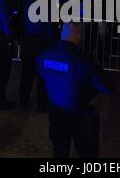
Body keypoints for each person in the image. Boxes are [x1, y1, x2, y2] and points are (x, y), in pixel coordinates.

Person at [37, 23, 113, 158]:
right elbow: (107, 87)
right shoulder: (82, 61)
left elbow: (43, 76)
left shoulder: (44, 55)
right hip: (80, 115)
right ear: (78, 35)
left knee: (59, 152)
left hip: (56, 113)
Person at [19, 0, 59, 112]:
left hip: (27, 43)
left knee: (26, 74)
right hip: (43, 45)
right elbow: (51, 31)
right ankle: (41, 104)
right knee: (42, 76)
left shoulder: (26, 4)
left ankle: (23, 100)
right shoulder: (48, 8)